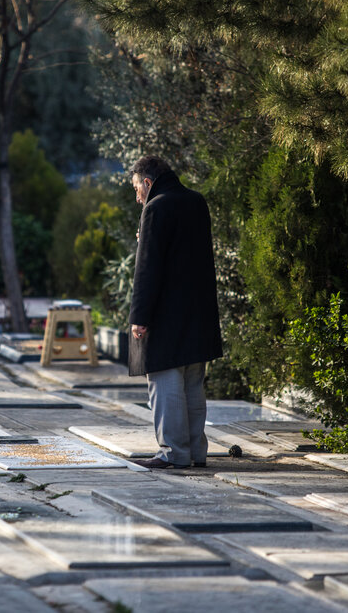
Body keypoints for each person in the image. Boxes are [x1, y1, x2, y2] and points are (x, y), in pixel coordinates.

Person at [127, 155, 223, 469]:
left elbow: (149, 268)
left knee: (165, 382)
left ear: (148, 182)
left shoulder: (155, 208)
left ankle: (172, 452)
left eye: (137, 190)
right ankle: (196, 453)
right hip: (198, 312)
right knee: (193, 384)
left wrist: (139, 317)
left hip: (166, 315)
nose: (137, 197)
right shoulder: (196, 202)